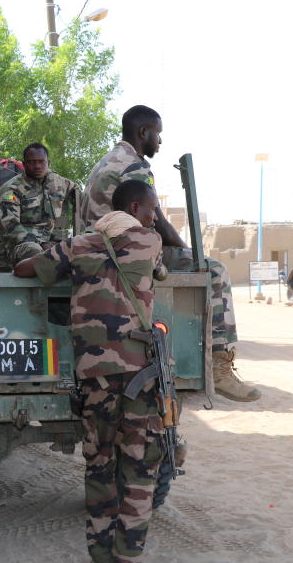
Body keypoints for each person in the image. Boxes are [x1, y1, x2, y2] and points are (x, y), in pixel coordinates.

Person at [14, 180, 165, 563]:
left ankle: (99, 554)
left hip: (94, 380)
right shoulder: (150, 242)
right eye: (151, 209)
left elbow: (27, 269)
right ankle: (127, 553)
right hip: (139, 379)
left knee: (99, 466)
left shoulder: (79, 244)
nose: (154, 216)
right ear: (134, 207)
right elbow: (159, 270)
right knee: (141, 467)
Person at [80, 105, 261, 402]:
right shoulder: (134, 165)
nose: (160, 142)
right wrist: (190, 254)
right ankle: (220, 367)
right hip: (125, 251)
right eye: (157, 135)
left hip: (103, 248)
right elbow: (157, 221)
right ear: (143, 133)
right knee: (214, 271)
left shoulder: (107, 161)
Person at [0, 142, 77, 265]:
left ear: (48, 163)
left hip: (52, 243)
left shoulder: (57, 183)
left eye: (41, 162)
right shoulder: (12, 189)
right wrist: (41, 244)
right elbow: (11, 226)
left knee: (82, 250)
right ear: (24, 164)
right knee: (36, 251)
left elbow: (79, 195)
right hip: (22, 246)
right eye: (32, 162)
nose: (37, 166)